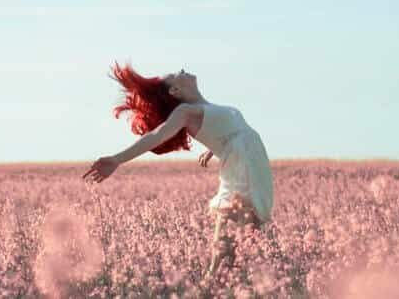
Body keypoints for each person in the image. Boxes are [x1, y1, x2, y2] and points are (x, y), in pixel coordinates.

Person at [82, 61, 274, 279]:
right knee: (221, 267)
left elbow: (232, 134)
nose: (181, 70)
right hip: (242, 180)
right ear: (175, 90)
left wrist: (215, 149)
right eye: (175, 74)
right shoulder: (186, 112)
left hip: (256, 177)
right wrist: (117, 159)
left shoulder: (209, 109)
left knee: (241, 264)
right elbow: (157, 135)